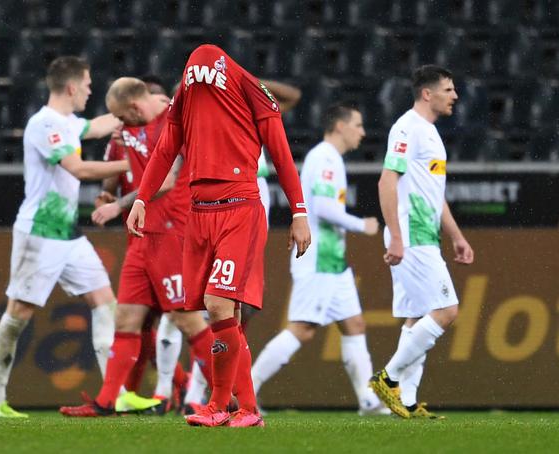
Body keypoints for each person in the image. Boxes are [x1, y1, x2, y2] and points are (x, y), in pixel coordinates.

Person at [127, 44, 311, 428]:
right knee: (225, 315)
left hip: (239, 209)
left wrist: (299, 212)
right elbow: (165, 149)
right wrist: (142, 197)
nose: (198, 81)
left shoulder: (250, 89)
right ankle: (248, 411)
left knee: (216, 305)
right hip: (199, 212)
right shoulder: (187, 96)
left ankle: (218, 404)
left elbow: (281, 154)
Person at [59, 77, 215, 417]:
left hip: (172, 233)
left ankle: (226, 397)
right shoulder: (129, 128)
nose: (122, 124)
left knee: (187, 320)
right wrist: (109, 193)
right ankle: (106, 403)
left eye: (123, 117)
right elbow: (118, 166)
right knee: (126, 320)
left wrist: (118, 206)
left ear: (135, 106)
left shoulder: (173, 123)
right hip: (141, 237)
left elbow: (169, 179)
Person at [0, 56, 129, 418]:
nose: (91, 90)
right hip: (39, 234)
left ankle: (116, 394)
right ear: (72, 87)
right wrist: (134, 165)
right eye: (88, 83)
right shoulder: (43, 124)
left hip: (69, 236)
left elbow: (97, 125)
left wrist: (145, 111)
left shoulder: (67, 122)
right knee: (19, 314)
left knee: (105, 302)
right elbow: (78, 167)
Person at [251, 102, 390, 416]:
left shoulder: (329, 159)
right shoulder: (324, 158)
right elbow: (325, 209)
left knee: (354, 324)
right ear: (340, 126)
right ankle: (246, 387)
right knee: (302, 328)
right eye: (358, 125)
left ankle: (368, 401)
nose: (363, 133)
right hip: (317, 258)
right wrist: (362, 225)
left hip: (334, 262)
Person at [370, 65, 474, 419]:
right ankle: (389, 376)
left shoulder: (429, 133)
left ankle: (408, 402)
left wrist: (456, 236)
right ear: (427, 94)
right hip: (411, 235)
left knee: (418, 316)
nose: (455, 96)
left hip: (424, 234)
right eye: (449, 89)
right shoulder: (407, 128)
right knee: (446, 311)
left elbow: (435, 193)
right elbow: (386, 182)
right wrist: (396, 237)